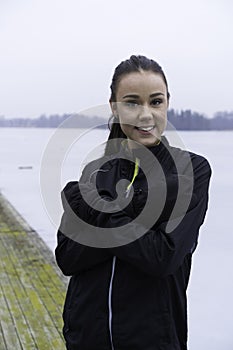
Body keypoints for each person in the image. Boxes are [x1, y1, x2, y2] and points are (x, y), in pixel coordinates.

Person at [55, 55, 211, 350]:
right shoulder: (96, 171)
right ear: (114, 107)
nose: (145, 115)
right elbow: (68, 257)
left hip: (154, 340)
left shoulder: (190, 171)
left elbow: (162, 257)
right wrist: (134, 225)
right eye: (131, 103)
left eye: (155, 102)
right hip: (86, 337)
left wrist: (98, 210)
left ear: (167, 103)